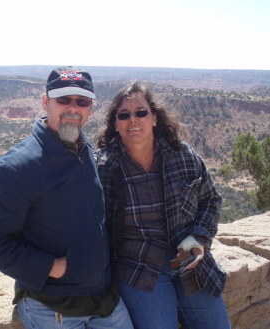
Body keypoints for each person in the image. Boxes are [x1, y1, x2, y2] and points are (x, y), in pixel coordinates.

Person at [0, 66, 133, 329]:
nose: (73, 108)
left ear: (90, 109)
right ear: (45, 102)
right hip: (52, 307)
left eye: (81, 101)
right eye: (63, 99)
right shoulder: (18, 168)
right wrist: (50, 266)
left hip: (104, 299)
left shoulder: (85, 150)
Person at [95, 82, 231, 329]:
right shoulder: (104, 167)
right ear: (115, 124)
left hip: (189, 260)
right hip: (138, 267)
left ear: (154, 118)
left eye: (141, 112)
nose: (132, 120)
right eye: (123, 115)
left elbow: (210, 200)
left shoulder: (183, 156)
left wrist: (199, 238)